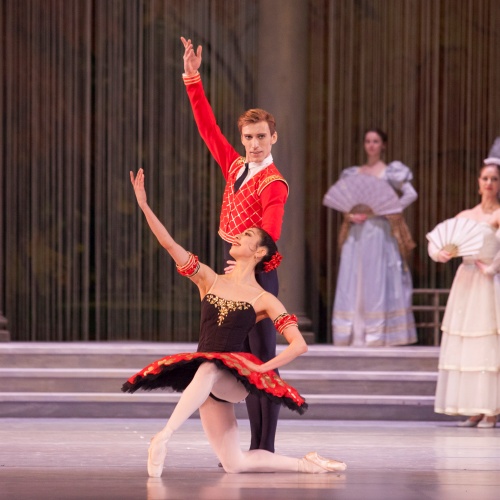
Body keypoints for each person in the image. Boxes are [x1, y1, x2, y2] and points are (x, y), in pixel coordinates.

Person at [123, 168, 347, 477]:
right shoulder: (210, 279)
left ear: (259, 252)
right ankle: (307, 464)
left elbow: (299, 345)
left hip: (233, 380)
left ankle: (163, 436)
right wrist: (144, 205)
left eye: (247, 236)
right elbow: (169, 245)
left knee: (209, 366)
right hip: (206, 382)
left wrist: (263, 369)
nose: (239, 236)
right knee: (234, 464)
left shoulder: (264, 299)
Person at [180, 37, 288, 453]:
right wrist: (193, 78)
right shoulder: (236, 166)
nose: (254, 144)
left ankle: (264, 448)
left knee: (262, 364)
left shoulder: (273, 183)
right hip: (233, 274)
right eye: (248, 137)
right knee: (237, 364)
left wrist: (248, 271)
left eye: (261, 136)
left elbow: (267, 236)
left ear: (273, 137)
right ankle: (241, 448)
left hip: (258, 278)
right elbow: (207, 128)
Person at [429, 149, 500, 428]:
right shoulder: (467, 215)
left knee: (487, 341)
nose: (489, 183)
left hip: (488, 281)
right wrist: (441, 254)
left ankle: (490, 409)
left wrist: (492, 268)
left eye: (494, 179)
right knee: (466, 342)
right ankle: (473, 408)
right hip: (467, 280)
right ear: (478, 182)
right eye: (485, 178)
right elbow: (438, 243)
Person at [329, 128, 418, 346]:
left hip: (378, 231)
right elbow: (346, 202)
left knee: (376, 279)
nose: (371, 145)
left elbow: (411, 193)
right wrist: (350, 215)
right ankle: (354, 333)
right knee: (354, 278)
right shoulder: (354, 173)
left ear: (383, 145)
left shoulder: (390, 172)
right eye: (368, 141)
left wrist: (389, 209)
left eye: (376, 141)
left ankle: (376, 333)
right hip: (357, 233)